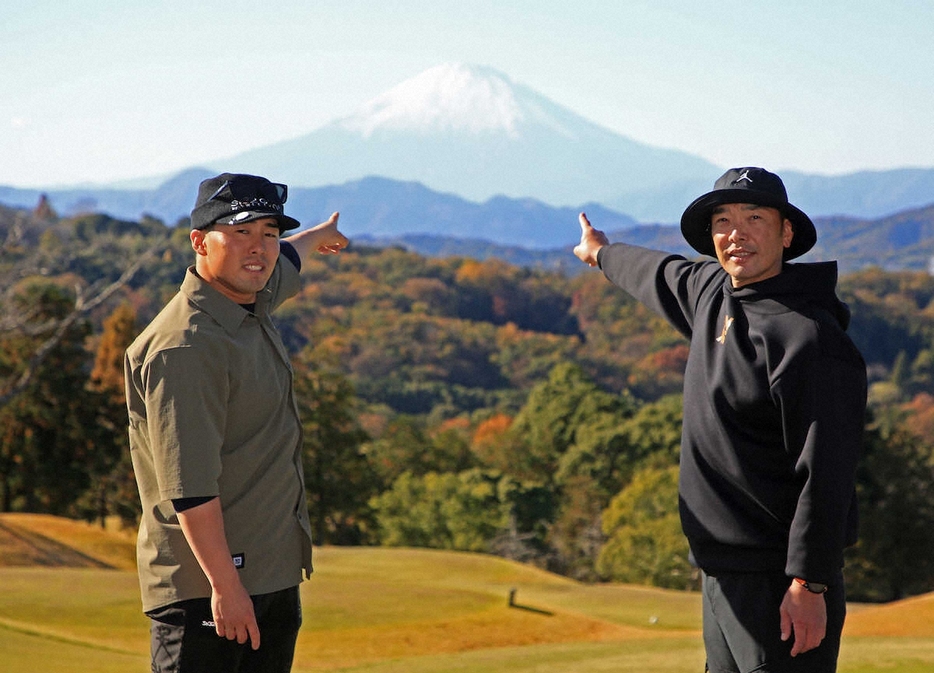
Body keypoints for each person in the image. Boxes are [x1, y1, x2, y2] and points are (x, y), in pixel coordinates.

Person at [573, 167, 866, 673]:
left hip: (779, 581)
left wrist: (809, 583)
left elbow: (828, 473)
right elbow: (656, 272)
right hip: (719, 571)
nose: (737, 233)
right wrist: (600, 252)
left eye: (755, 218)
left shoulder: (809, 339)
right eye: (723, 221)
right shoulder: (713, 292)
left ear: (786, 232)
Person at [125, 172, 349, 673]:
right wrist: (226, 589)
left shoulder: (251, 300)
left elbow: (285, 258)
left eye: (268, 233)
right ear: (200, 242)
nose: (259, 249)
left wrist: (316, 236)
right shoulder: (186, 346)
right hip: (209, 595)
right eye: (241, 232)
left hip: (269, 579)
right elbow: (190, 487)